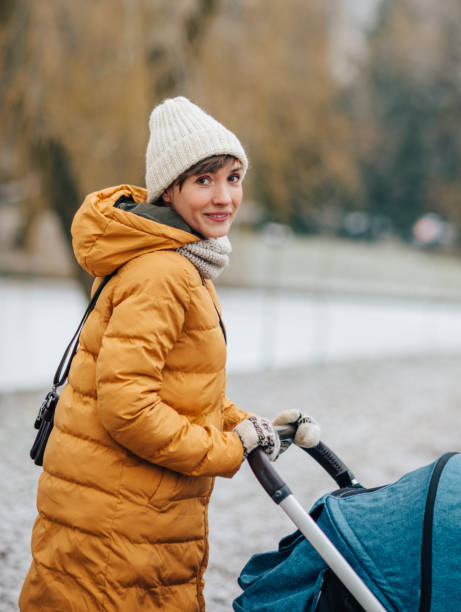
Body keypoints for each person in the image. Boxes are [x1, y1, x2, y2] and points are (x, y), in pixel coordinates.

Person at [20, 97, 320, 611]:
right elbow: (129, 409)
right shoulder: (164, 273)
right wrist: (228, 449)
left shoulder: (179, 262)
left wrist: (251, 426)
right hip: (119, 535)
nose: (224, 196)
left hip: (124, 519)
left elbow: (180, 391)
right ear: (169, 190)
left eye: (233, 177)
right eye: (203, 181)